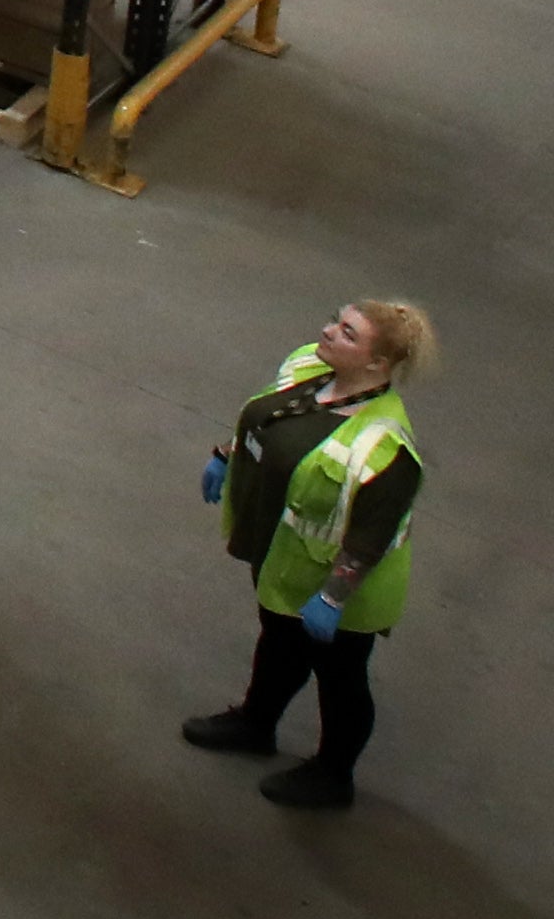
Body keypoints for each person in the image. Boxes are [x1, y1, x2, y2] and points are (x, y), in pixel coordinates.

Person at [183, 295, 432, 810]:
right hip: (285, 562)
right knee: (278, 645)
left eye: (347, 333)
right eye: (335, 322)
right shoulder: (308, 368)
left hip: (338, 591)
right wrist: (226, 456)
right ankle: (256, 723)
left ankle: (334, 774)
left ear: (377, 364)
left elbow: (373, 535)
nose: (327, 333)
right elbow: (268, 417)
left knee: (340, 677)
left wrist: (334, 598)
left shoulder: (385, 447)